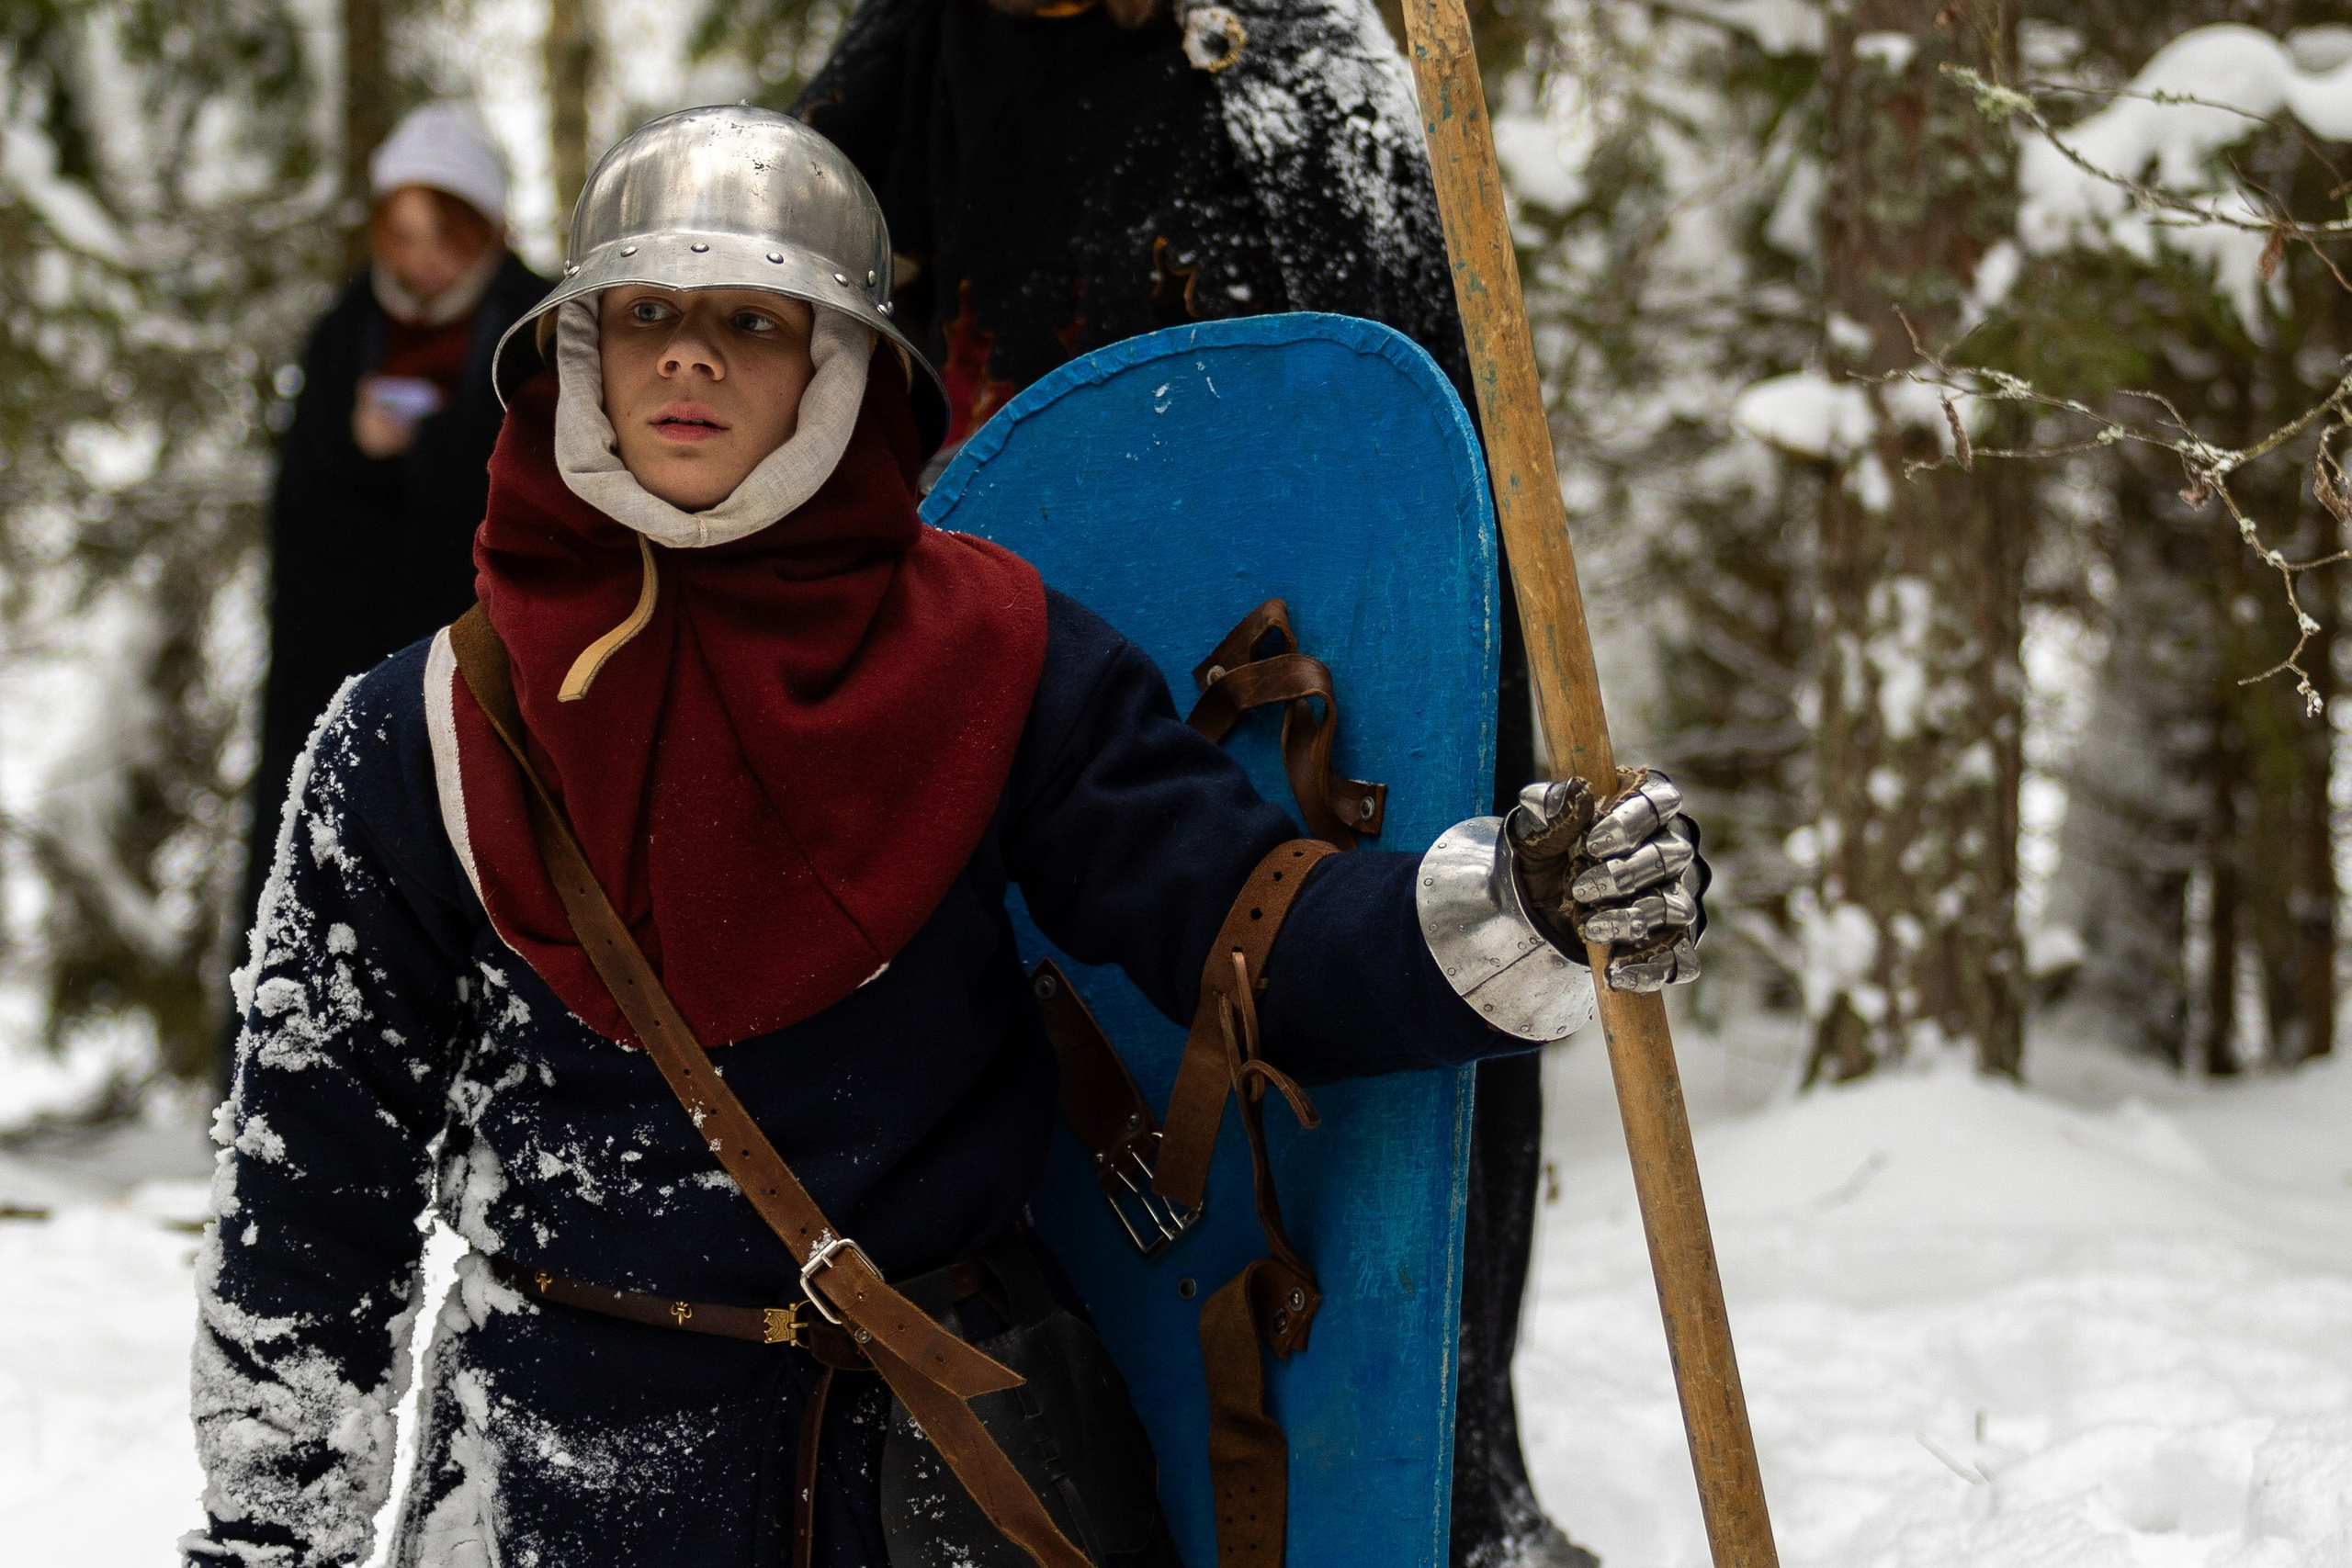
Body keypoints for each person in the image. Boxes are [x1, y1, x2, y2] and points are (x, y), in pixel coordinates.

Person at [186, 107, 1702, 1568]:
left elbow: (1245, 925)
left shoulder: (1001, 659)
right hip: (550, 1483)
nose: (692, 354)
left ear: (839, 366)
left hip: (935, 1476)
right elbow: (309, 1198)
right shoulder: (422, 729)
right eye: (646, 311)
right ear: (580, 352)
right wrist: (272, 1536)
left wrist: (1519, 907)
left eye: (756, 319)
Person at [790, 6, 1566, 1562]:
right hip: (1042, 691)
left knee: (1383, 1142)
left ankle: (1448, 1497)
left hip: (1328, 723)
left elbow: (1417, 478)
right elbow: (822, 367)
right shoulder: (918, 65)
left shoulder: (1317, 69)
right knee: (1068, 1166)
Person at [235, 101, 548, 1049]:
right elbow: (303, 511)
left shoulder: (530, 328)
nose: (420, 260)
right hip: (339, 652)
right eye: (401, 233)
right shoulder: (347, 331)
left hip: (481, 657)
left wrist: (430, 449)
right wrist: (359, 450)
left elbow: (539, 484)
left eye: (441, 234)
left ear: (485, 228)